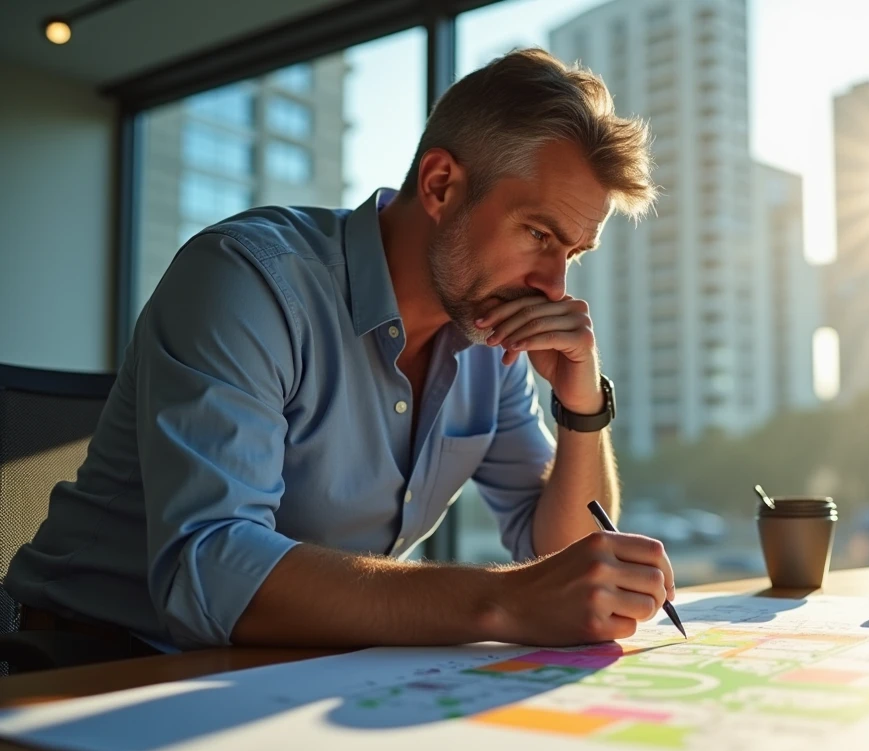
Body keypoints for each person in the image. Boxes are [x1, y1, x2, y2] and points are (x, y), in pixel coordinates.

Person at [7, 48, 676, 654]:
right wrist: (501, 602)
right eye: (537, 233)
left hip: (285, 670)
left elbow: (561, 561)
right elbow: (209, 573)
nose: (554, 286)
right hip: (86, 664)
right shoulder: (250, 280)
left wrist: (582, 406)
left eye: (572, 254)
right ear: (441, 185)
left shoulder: (485, 338)